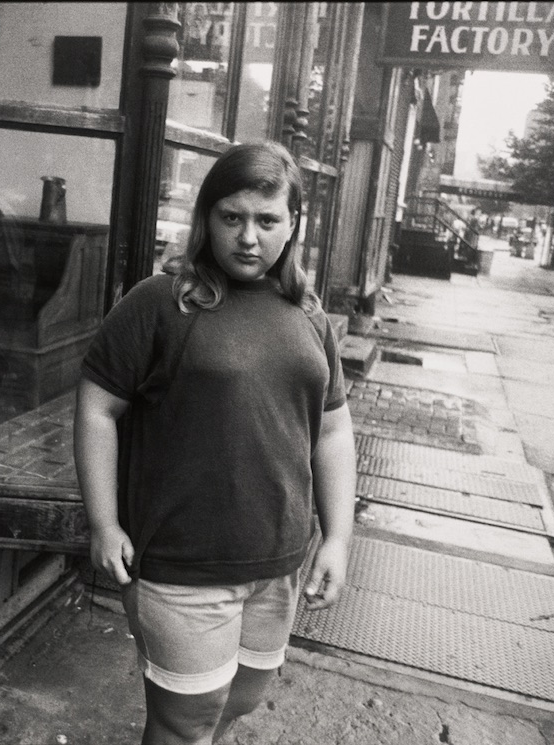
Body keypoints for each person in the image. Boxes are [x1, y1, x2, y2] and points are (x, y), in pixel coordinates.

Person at [74, 142, 357, 745]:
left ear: (294, 225)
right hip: (183, 565)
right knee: (185, 722)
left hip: (278, 560)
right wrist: (103, 522)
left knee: (239, 702)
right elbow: (97, 407)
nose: (248, 237)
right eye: (231, 217)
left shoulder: (307, 313)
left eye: (267, 220)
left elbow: (331, 429)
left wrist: (337, 537)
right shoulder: (162, 301)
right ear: (206, 219)